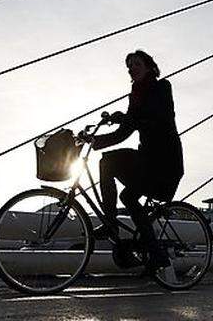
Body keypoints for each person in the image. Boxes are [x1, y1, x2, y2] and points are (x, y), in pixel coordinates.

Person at [89, 50, 184, 269]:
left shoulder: (162, 87)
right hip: (147, 161)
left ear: (150, 66)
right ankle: (152, 252)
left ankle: (116, 226)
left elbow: (158, 118)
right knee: (124, 191)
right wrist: (95, 141)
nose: (132, 68)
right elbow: (124, 132)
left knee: (114, 171)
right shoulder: (135, 95)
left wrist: (128, 118)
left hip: (165, 164)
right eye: (129, 66)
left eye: (137, 64)